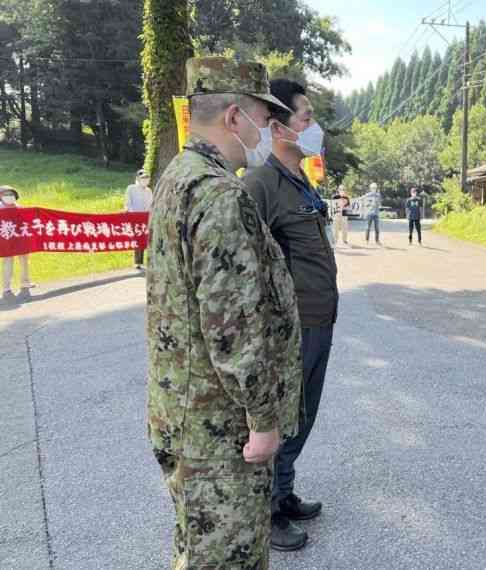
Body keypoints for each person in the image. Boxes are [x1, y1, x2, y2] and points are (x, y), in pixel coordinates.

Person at [146, 56, 302, 570]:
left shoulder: (178, 177)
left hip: (186, 416)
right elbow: (231, 325)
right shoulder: (219, 195)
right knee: (226, 558)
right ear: (235, 117)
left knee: (196, 549)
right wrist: (262, 419)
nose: (268, 130)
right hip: (219, 432)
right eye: (264, 116)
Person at [243, 79, 338, 552]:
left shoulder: (298, 180)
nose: (314, 127)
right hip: (290, 327)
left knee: (303, 414)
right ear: (279, 128)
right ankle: (268, 509)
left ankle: (285, 490)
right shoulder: (260, 183)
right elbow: (249, 262)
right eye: (306, 118)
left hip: (319, 320)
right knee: (282, 415)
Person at [1, 185, 35, 302]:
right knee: (8, 262)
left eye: (11, 194)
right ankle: (6, 289)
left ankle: (25, 283)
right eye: (5, 194)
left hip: (20, 238)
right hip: (6, 240)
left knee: (24, 260)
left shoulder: (18, 207)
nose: (9, 196)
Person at [125, 168, 153, 269]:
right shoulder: (131, 188)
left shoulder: (148, 191)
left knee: (144, 239)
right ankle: (138, 262)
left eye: (146, 178)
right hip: (134, 218)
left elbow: (150, 204)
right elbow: (128, 203)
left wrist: (146, 214)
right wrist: (133, 215)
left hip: (145, 218)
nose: (145, 180)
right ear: (138, 178)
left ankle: (144, 261)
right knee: (137, 239)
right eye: (143, 178)